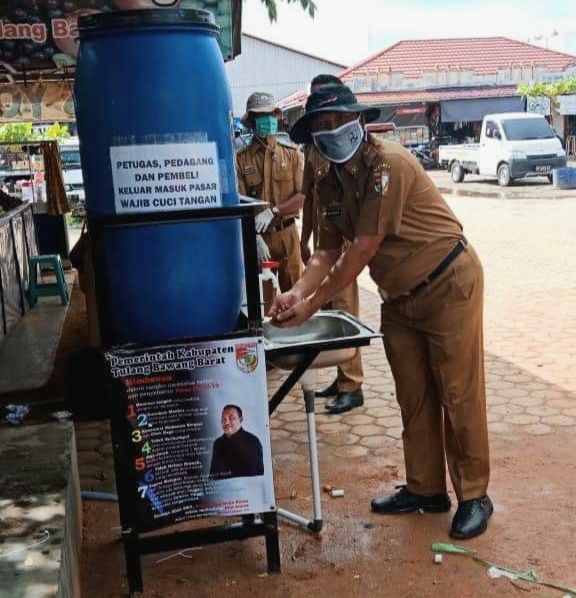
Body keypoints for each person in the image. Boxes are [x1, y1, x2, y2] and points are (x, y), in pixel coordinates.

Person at [270, 85, 492, 540]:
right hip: (400, 299)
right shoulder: (327, 180)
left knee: (458, 393)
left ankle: (475, 495)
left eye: (337, 121)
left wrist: (312, 306)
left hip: (448, 285)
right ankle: (426, 489)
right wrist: (296, 293)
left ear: (359, 120)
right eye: (320, 126)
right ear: (311, 134)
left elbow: (362, 251)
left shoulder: (386, 166)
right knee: (413, 395)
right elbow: (325, 253)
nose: (331, 132)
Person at [301, 74, 364, 414]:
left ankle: (353, 384)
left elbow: (362, 241)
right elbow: (310, 199)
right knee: (331, 312)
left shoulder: (372, 159)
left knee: (343, 311)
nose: (326, 124)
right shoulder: (312, 148)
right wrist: (303, 239)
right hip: (326, 236)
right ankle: (341, 378)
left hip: (347, 242)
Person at [236, 92, 305, 292]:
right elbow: (239, 201)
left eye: (271, 115)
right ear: (251, 120)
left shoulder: (292, 155)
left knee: (294, 298)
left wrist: (274, 211)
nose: (267, 120)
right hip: (259, 239)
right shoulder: (242, 159)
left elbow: (302, 196)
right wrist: (254, 237)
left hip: (287, 235)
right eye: (261, 115)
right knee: (264, 303)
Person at [210, 405, 264, 480]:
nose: (227, 422)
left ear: (240, 419)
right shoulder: (217, 443)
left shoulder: (252, 441)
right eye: (223, 419)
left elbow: (255, 475)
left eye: (231, 418)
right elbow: (213, 474)